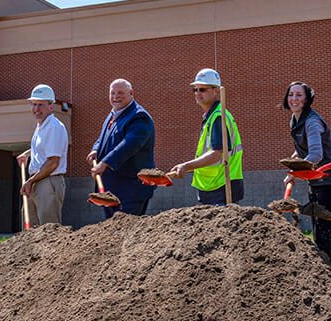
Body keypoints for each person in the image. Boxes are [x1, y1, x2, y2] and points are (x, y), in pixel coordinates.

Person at [281, 81, 331, 260]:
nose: (294, 99)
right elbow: (302, 150)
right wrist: (293, 166)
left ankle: (328, 272)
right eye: (291, 94)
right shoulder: (295, 120)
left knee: (323, 230)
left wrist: (296, 172)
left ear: (307, 99)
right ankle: (322, 270)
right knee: (317, 227)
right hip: (316, 179)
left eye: (299, 95)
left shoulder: (312, 122)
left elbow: (316, 154)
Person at [170, 68, 244, 204]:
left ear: (216, 91)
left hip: (221, 187)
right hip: (213, 187)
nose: (197, 93)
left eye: (202, 89)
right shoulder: (211, 117)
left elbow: (217, 153)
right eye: (195, 89)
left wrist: (186, 166)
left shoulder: (218, 117)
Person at [87, 79, 156, 218]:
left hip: (131, 189)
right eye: (112, 93)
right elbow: (103, 138)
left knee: (128, 232)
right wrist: (96, 149)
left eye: (120, 93)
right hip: (112, 189)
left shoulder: (139, 116)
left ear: (131, 93)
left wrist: (104, 162)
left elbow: (129, 144)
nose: (115, 96)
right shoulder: (113, 114)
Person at [16, 84, 68, 226]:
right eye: (33, 104)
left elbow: (53, 162)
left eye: (40, 105)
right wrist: (28, 154)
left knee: (48, 232)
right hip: (38, 181)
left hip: (48, 182)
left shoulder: (54, 127)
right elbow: (44, 150)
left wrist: (30, 181)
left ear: (51, 106)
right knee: (31, 232)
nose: (36, 109)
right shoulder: (41, 127)